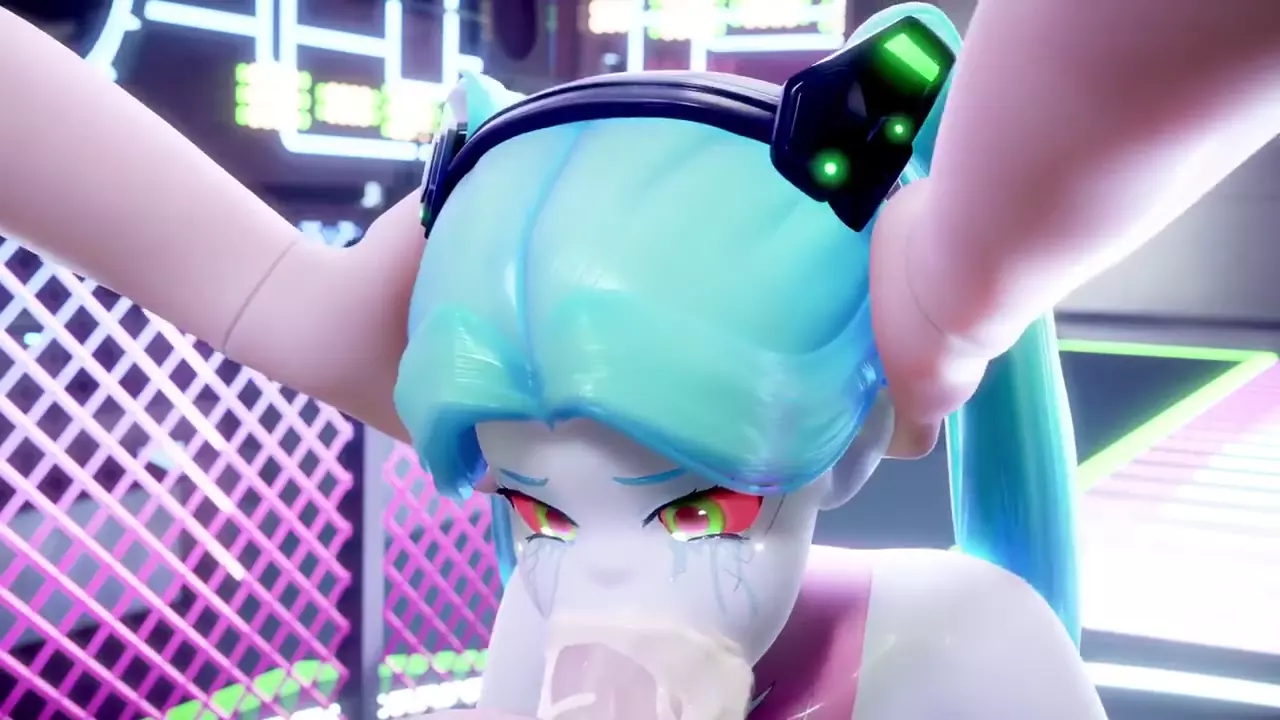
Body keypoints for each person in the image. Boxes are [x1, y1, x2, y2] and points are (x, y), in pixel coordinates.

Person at [1, 1, 1277, 718]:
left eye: (701, 509)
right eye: (536, 514)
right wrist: (292, 306)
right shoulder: (532, 621)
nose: (598, 585)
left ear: (833, 456)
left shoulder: (969, 651)